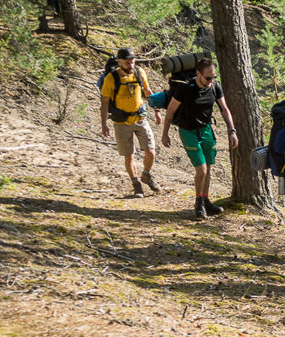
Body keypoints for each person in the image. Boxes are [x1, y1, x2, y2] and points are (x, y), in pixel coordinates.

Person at [160, 58, 238, 220]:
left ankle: (206, 200)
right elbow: (170, 112)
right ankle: (198, 204)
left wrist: (232, 130)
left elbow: (224, 109)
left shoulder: (215, 86)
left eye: (213, 77)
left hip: (207, 130)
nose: (211, 81)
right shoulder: (185, 88)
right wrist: (165, 133)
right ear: (198, 74)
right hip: (188, 132)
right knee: (201, 170)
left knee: (208, 169)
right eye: (208, 78)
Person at [100, 48, 161, 197]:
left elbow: (147, 92)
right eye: (127, 62)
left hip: (140, 118)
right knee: (129, 156)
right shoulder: (111, 78)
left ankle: (146, 174)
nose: (131, 64)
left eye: (132, 61)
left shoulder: (140, 72)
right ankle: (136, 184)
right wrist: (103, 124)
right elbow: (105, 102)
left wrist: (156, 111)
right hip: (121, 122)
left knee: (151, 151)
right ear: (119, 62)